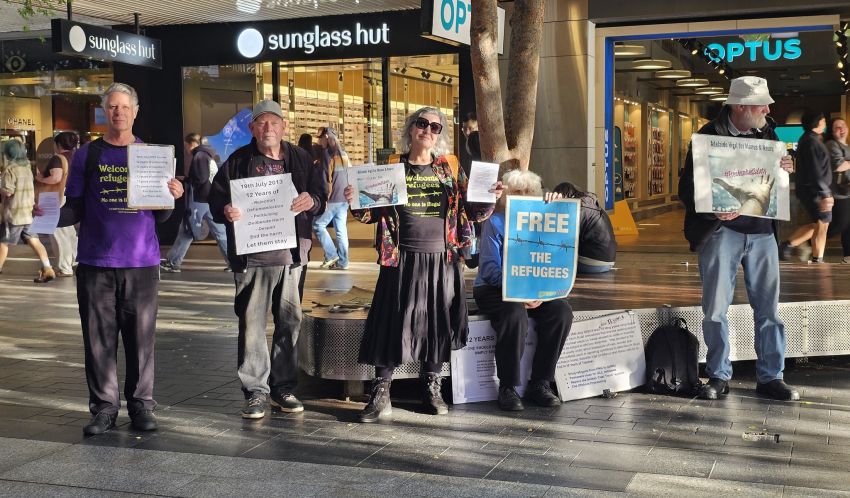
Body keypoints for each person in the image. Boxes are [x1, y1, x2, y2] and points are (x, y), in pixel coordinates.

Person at [347, 106, 502, 423]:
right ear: (411, 128)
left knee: (437, 323)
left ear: (440, 135)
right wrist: (355, 200)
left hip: (442, 259)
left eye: (435, 127)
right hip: (400, 257)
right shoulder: (392, 166)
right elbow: (370, 214)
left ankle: (431, 386)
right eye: (422, 124)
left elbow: (472, 211)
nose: (428, 131)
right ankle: (381, 392)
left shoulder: (450, 167)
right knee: (391, 322)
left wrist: (490, 197)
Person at [56, 82, 184, 435]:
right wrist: (46, 214)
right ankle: (104, 409)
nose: (118, 112)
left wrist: (173, 197)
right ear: (104, 111)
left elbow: (160, 217)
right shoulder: (87, 155)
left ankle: (142, 406)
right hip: (96, 262)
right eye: (112, 107)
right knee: (98, 340)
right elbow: (76, 206)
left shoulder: (150, 155)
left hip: (142, 262)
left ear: (135, 111)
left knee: (142, 340)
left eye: (124, 107)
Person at [678, 76, 799, 401]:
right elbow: (686, 189)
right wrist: (712, 211)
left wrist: (788, 165)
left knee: (769, 310)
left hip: (762, 235)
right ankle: (718, 376)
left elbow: (777, 179)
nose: (768, 108)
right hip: (722, 234)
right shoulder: (707, 137)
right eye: (762, 103)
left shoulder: (768, 133)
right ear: (741, 106)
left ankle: (772, 376)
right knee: (715, 309)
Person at [209, 100, 326, 419]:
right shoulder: (238, 161)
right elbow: (216, 200)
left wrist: (311, 201)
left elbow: (321, 199)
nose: (268, 128)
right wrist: (225, 211)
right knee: (252, 324)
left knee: (290, 321)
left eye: (274, 122)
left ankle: (283, 388)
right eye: (261, 123)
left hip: (291, 255)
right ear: (252, 129)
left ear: (284, 126)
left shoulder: (301, 158)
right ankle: (256, 392)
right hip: (253, 256)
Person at [473, 170, 573, 411]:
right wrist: (520, 291)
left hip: (534, 289)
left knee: (561, 312)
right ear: (506, 196)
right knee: (514, 312)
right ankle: (508, 386)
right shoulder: (495, 222)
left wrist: (558, 207)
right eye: (518, 192)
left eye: (530, 192)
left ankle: (540, 382)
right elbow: (489, 269)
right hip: (494, 288)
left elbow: (557, 257)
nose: (524, 196)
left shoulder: (543, 220)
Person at [161, 133, 229, 273]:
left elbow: (200, 178)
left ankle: (173, 262)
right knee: (220, 232)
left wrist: (188, 181)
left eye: (186, 145)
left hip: (199, 200)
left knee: (187, 229)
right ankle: (234, 261)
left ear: (191, 143)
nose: (186, 149)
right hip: (211, 199)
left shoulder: (199, 156)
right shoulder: (209, 155)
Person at [779, 111, 833, 263]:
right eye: (823, 120)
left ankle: (787, 246)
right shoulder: (812, 142)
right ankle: (817, 259)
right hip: (815, 191)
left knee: (818, 223)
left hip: (812, 189)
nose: (824, 123)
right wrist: (825, 194)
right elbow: (816, 170)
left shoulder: (809, 139)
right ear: (819, 122)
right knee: (822, 225)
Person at [0, 140, 56, 282]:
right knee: (35, 241)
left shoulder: (10, 169)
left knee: (3, 243)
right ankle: (48, 268)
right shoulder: (27, 168)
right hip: (27, 213)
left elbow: (7, 192)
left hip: (14, 214)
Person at [35, 131, 79, 277]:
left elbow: (55, 178)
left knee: (59, 234)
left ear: (59, 144)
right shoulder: (76, 156)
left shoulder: (58, 159)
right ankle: (74, 261)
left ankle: (64, 267)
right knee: (69, 233)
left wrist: (40, 179)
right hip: (71, 196)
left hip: (56, 198)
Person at [552, 181, 617, 274]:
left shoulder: (576, 209)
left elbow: (563, 238)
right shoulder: (591, 204)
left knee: (552, 261)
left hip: (592, 262)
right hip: (609, 260)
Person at [313, 127, 351, 270]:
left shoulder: (328, 154)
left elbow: (326, 179)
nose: (319, 141)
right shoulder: (344, 154)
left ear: (327, 137)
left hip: (333, 198)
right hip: (344, 199)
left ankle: (330, 255)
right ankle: (343, 261)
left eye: (320, 138)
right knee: (341, 230)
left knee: (317, 225)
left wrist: (325, 199)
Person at [825, 118, 850, 263]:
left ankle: (848, 256)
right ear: (832, 131)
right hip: (838, 193)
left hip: (847, 191)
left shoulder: (846, 146)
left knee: (848, 226)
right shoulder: (831, 144)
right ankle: (807, 242)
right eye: (836, 127)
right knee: (840, 224)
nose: (841, 129)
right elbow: (838, 165)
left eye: (843, 126)